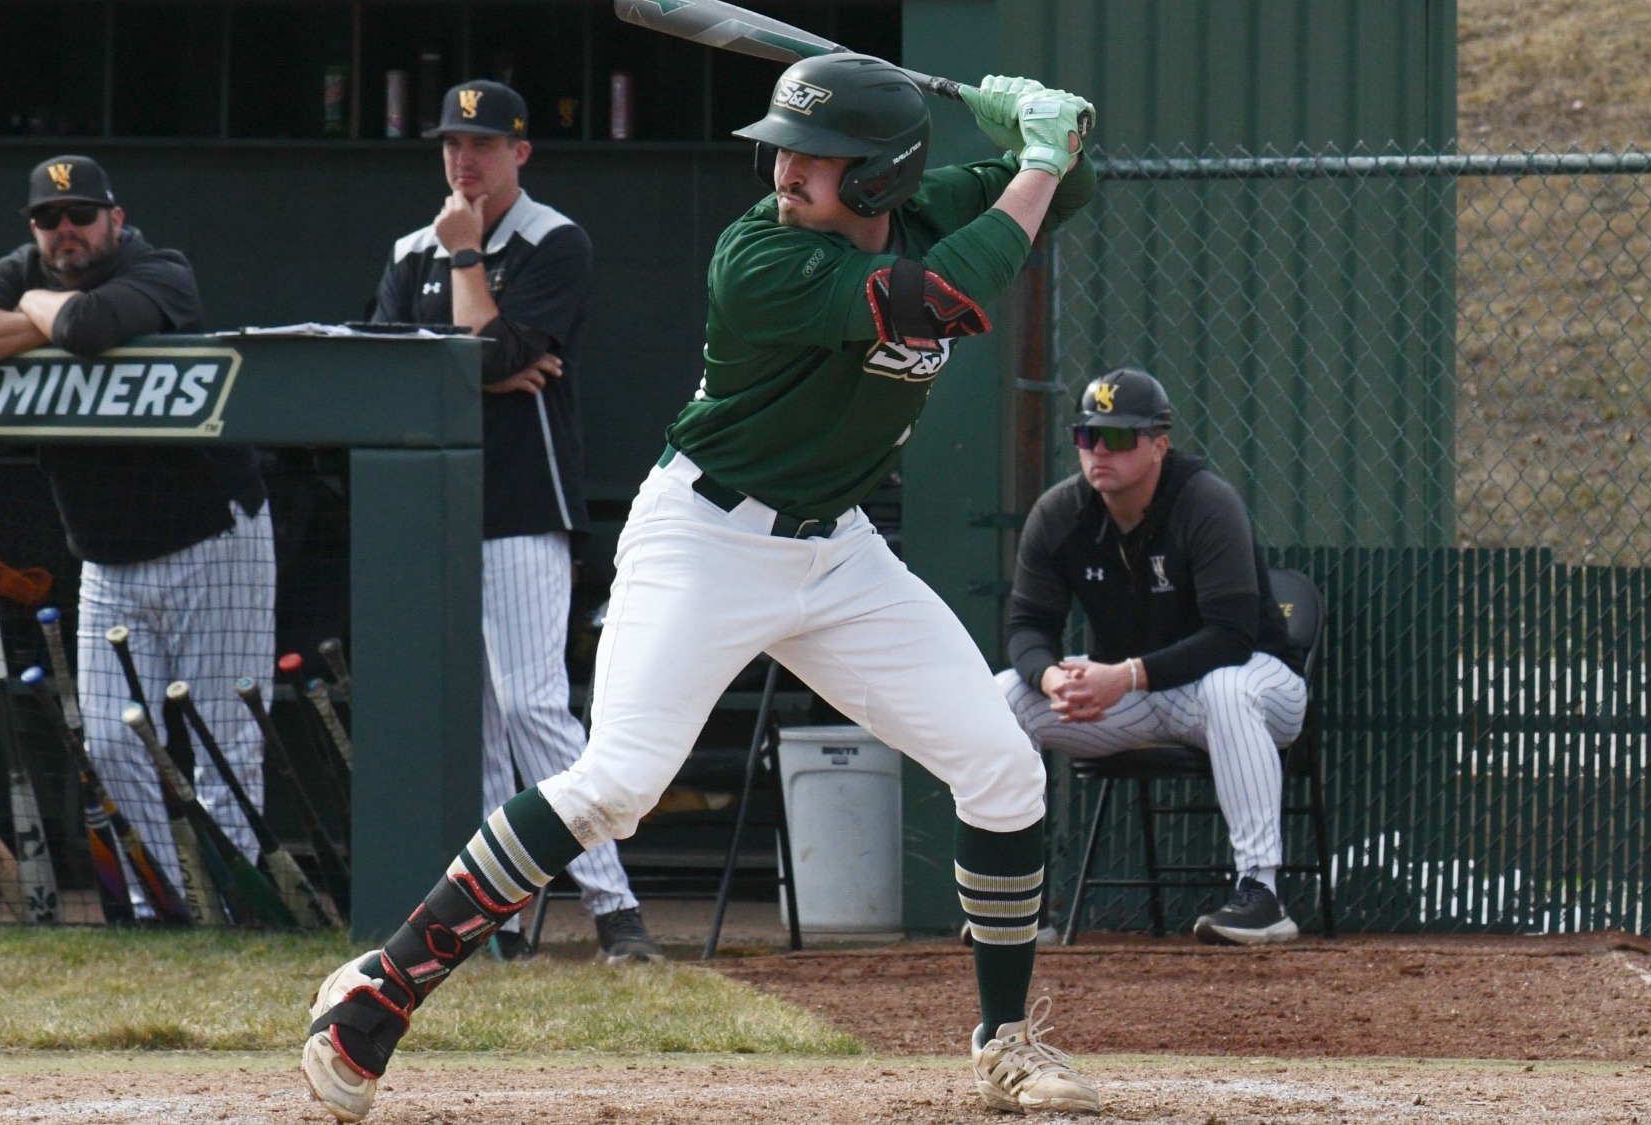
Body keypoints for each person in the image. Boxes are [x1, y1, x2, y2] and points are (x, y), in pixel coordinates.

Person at [303, 56, 1101, 1121]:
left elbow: (1067, 188)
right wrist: (1037, 154)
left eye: (820, 160)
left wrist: (1049, 129)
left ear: (882, 177)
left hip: (839, 551)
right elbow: (940, 298)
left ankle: (1002, 1040)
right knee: (616, 783)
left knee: (1003, 772)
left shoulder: (934, 210)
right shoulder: (759, 257)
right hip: (706, 539)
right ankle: (383, 984)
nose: (787, 172)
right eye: (786, 151)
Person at [0, 155, 276, 919]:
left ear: (115, 218)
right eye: (49, 219)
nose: (65, 230)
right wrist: (43, 310)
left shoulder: (162, 268)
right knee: (113, 747)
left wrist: (32, 315)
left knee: (223, 742)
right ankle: (163, 909)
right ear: (33, 229)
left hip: (212, 536)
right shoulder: (28, 268)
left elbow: (89, 328)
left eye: (81, 214)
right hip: (107, 554)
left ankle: (236, 907)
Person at [370, 79, 663, 965]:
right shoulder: (408, 249)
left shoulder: (551, 239)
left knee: (534, 703)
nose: (466, 160)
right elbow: (390, 372)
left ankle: (617, 912)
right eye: (454, 144)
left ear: (520, 154)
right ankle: (501, 923)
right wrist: (481, 362)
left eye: (485, 145)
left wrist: (469, 284)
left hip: (524, 505)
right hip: (436, 509)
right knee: (476, 723)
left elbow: (493, 350)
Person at [996, 367, 1308, 946]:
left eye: (1118, 437)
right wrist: (1047, 677)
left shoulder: (1205, 502)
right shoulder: (1060, 514)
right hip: (1136, 694)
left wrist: (1128, 675)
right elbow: (1028, 625)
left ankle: (1261, 894)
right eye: (1088, 436)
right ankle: (1015, 900)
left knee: (1227, 690)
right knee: (1003, 697)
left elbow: (1232, 636)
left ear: (1159, 445)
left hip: (1256, 687)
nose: (1099, 451)